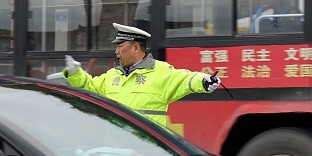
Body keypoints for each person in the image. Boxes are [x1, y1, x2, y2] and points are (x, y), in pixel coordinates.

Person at [63, 23, 220, 127]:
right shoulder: (113, 75)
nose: (116, 52)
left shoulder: (160, 71)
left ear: (136, 48)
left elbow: (185, 79)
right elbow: (90, 86)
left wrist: (204, 81)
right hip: (115, 151)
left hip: (147, 152)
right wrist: (75, 74)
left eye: (120, 46)